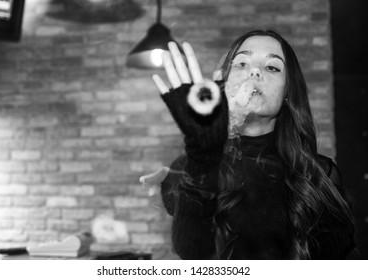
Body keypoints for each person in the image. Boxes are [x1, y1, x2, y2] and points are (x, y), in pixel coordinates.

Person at [146, 29, 355, 259]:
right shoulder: (192, 165)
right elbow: (192, 253)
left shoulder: (319, 174)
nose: (254, 71)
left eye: (272, 67)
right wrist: (201, 157)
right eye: (242, 64)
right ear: (223, 84)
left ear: (287, 91)